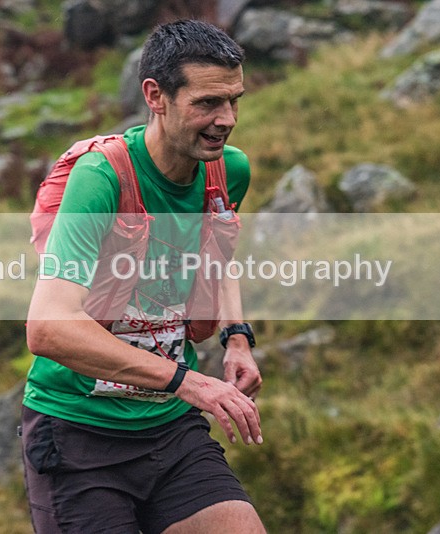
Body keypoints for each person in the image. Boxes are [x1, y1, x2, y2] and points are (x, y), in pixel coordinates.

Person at [22, 19, 265, 534]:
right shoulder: (102, 178)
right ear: (155, 95)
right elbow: (48, 327)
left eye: (234, 101)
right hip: (78, 433)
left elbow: (218, 250)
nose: (226, 120)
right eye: (207, 104)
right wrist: (190, 381)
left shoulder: (228, 169)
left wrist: (237, 338)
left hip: (170, 429)